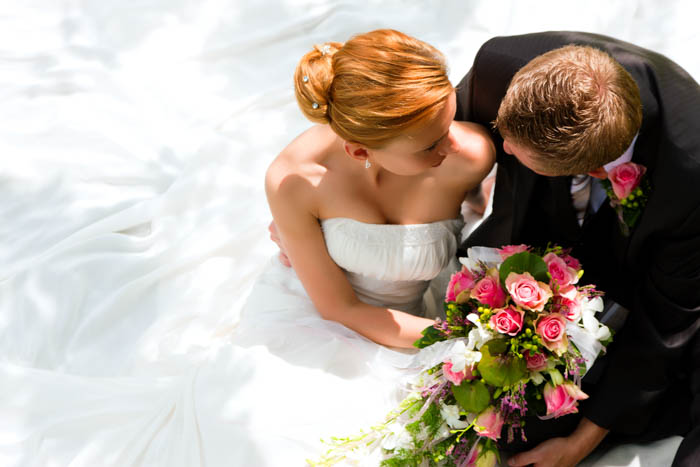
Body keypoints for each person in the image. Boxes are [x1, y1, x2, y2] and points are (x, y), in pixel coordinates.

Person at [455, 31, 700, 467]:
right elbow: (427, 126)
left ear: (591, 170)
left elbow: (668, 320)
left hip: (640, 278)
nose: (501, 148)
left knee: (532, 425)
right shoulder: (502, 65)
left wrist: (579, 445)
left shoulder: (691, 176)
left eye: (513, 150)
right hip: (529, 250)